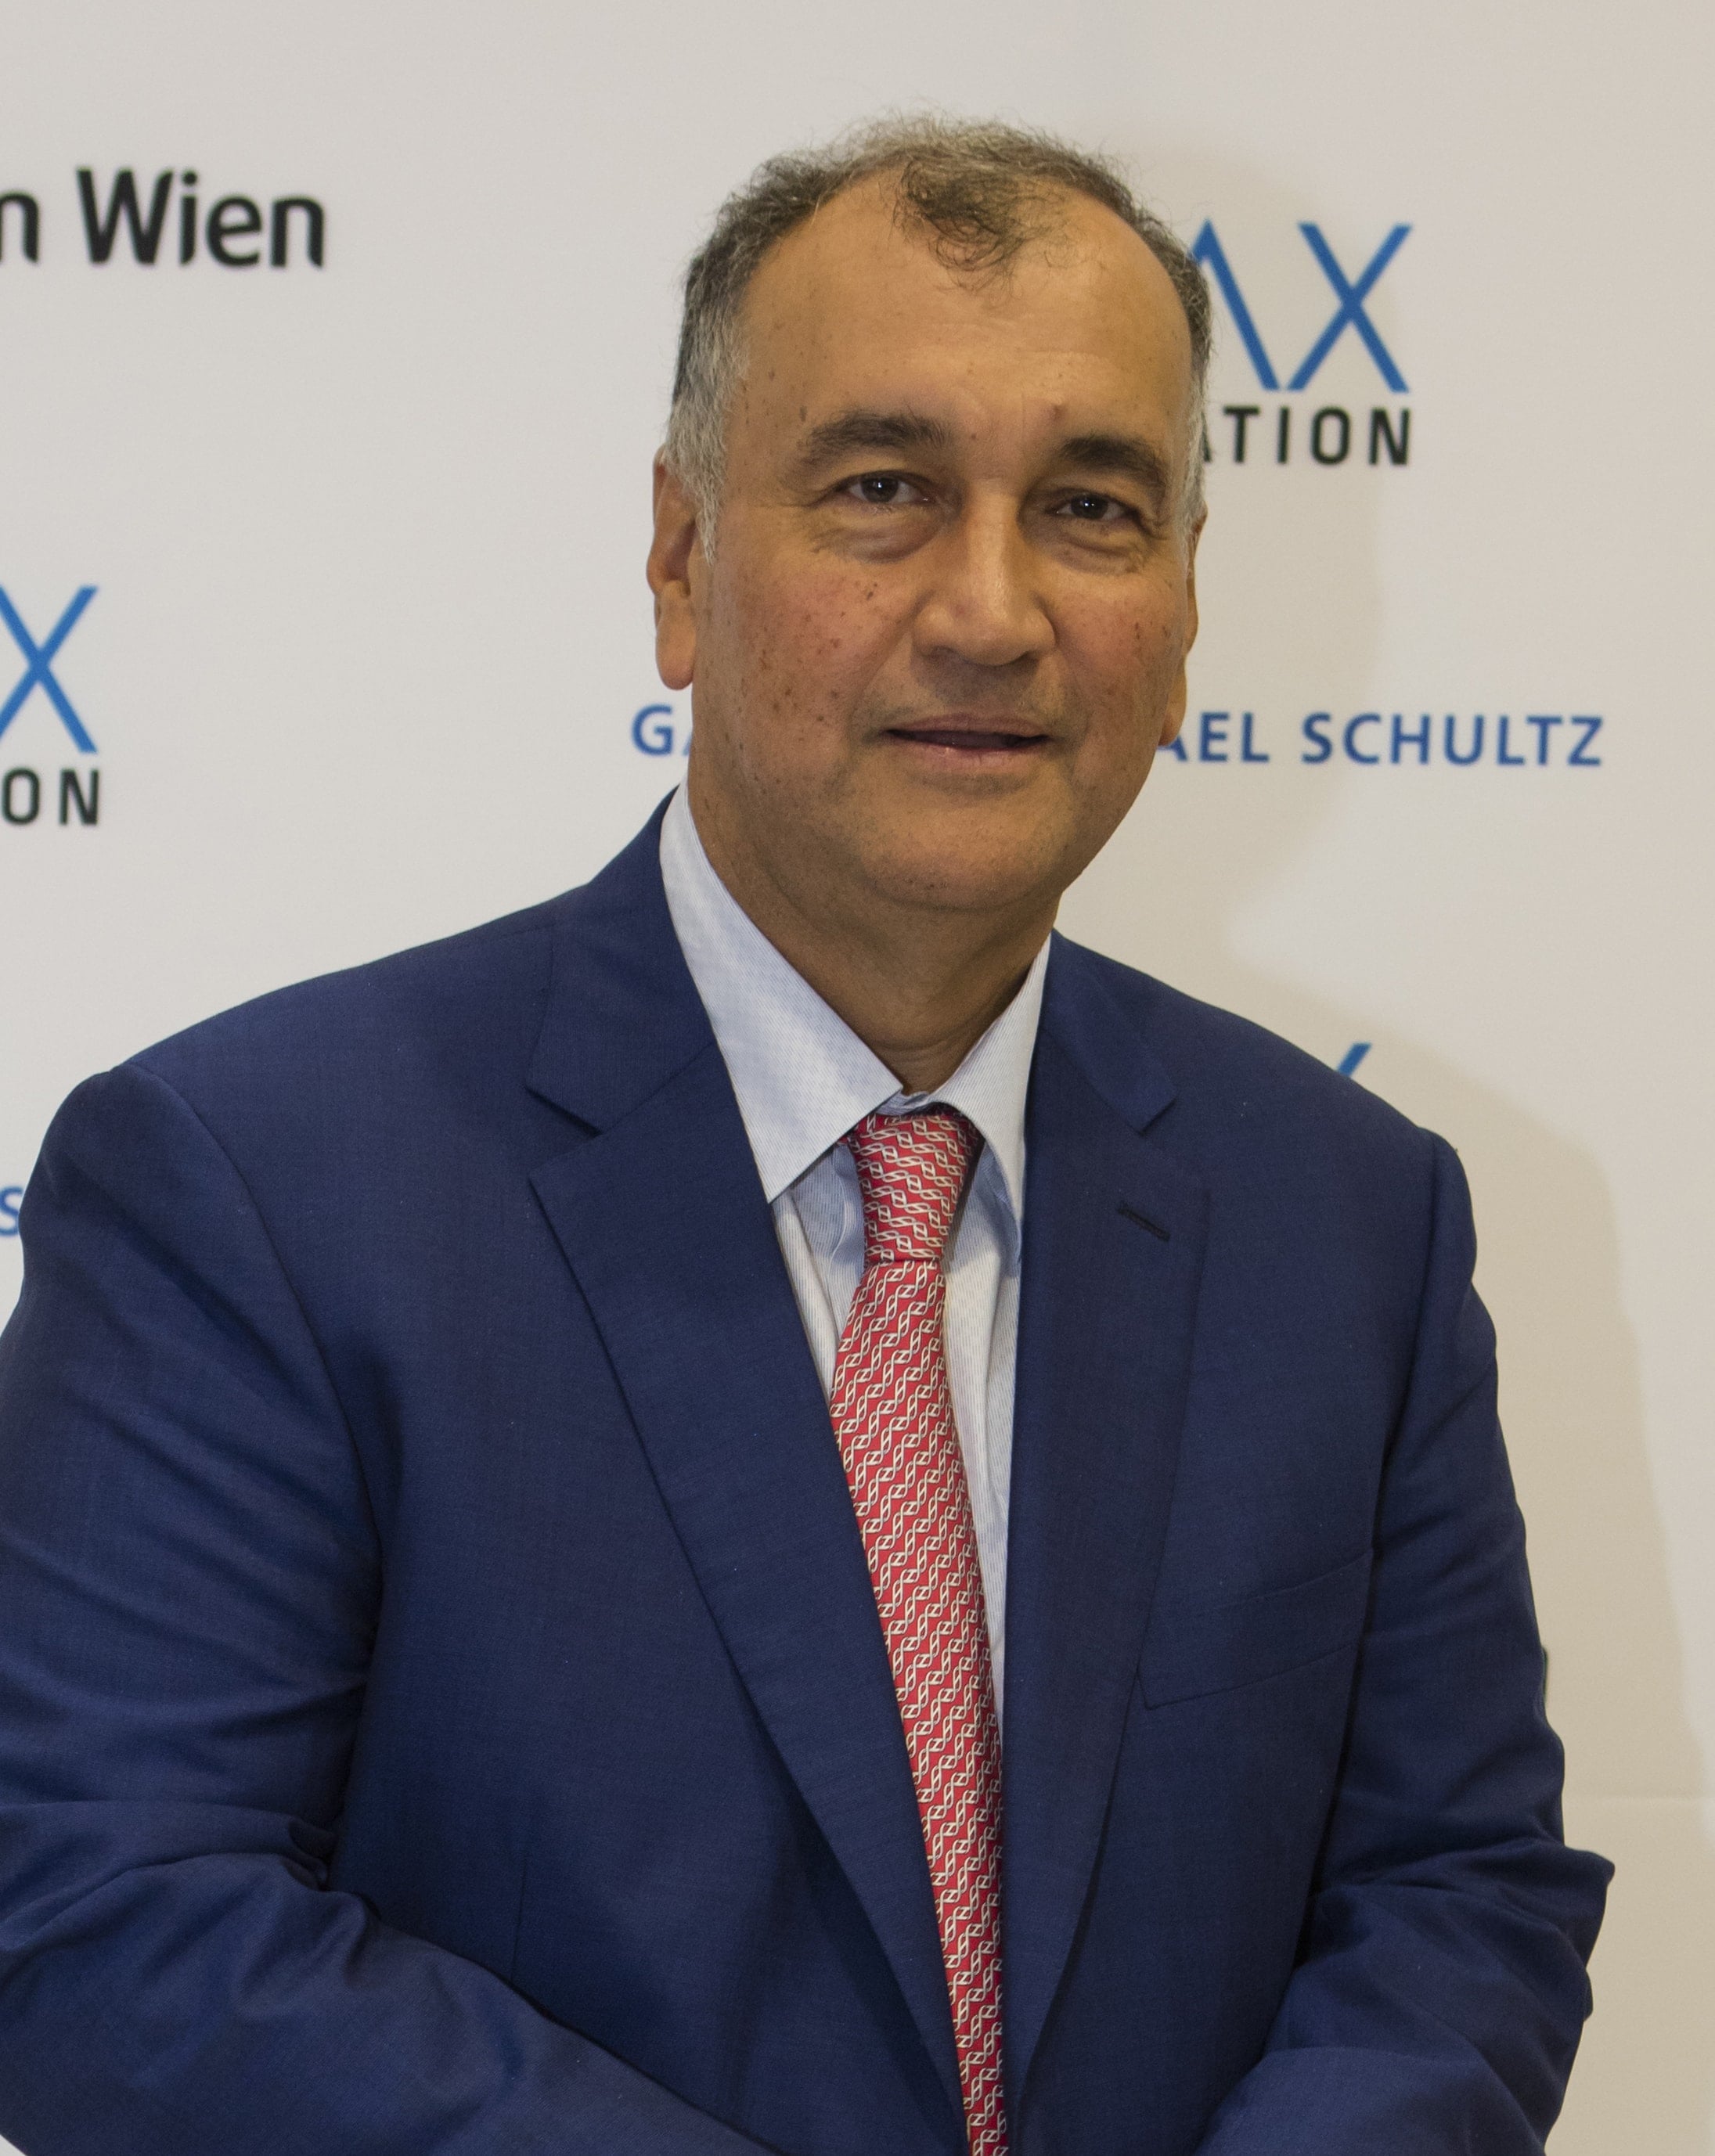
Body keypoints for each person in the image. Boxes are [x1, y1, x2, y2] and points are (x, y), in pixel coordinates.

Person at [0, 117, 1608, 2156]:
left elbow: (1455, 1899)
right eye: (883, 490)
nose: (992, 608)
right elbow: (103, 1923)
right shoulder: (253, 1184)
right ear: (681, 562)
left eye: (1092, 507)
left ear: (1190, 602)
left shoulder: (1354, 1218)